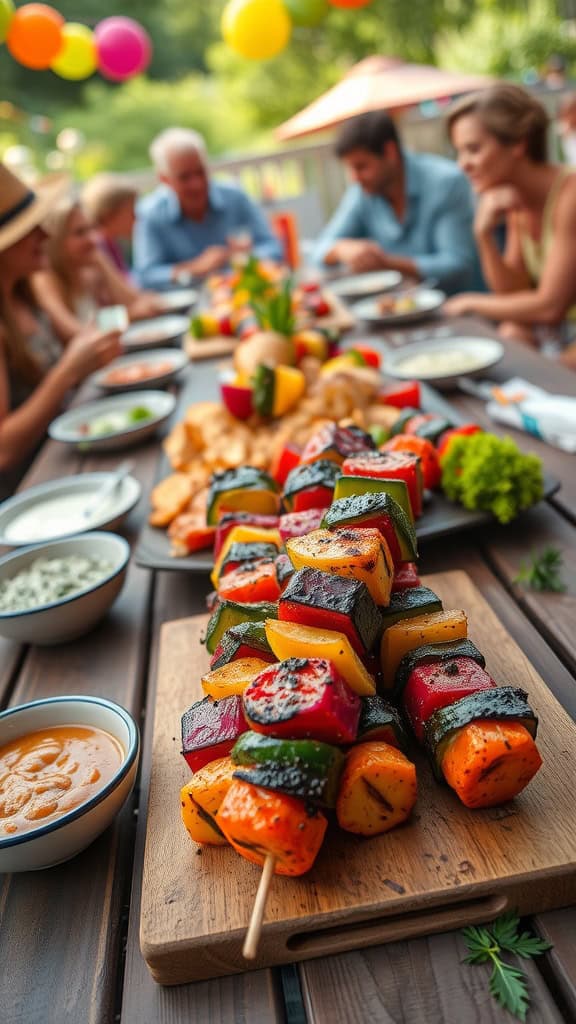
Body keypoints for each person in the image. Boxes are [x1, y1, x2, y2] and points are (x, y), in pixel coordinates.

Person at [0, 163, 121, 488]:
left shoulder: (25, 295)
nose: (46, 234)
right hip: (34, 487)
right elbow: (3, 452)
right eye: (29, 228)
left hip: (70, 458)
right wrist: (67, 371)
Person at [443, 84, 576, 351]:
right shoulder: (518, 201)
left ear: (518, 143)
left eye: (473, 149)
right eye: (460, 151)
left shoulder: (569, 196)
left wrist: (468, 302)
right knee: (512, 331)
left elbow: (550, 307)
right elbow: (513, 296)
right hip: (561, 336)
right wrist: (484, 235)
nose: (462, 164)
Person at [312, 110, 478, 295]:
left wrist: (386, 263)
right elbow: (319, 250)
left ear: (390, 152)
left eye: (361, 167)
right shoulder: (363, 192)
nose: (354, 178)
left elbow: (457, 265)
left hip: (457, 308)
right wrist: (340, 249)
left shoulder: (446, 182)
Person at [133, 127, 283, 289]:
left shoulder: (235, 197)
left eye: (200, 172)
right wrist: (193, 268)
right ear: (164, 179)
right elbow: (145, 276)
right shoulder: (150, 213)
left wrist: (244, 259)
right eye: (184, 177)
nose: (197, 184)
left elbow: (273, 247)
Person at [32, 196, 162, 343]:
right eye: (80, 233)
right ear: (55, 240)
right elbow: (77, 334)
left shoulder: (86, 270)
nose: (93, 238)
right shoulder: (45, 280)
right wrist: (128, 316)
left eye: (92, 229)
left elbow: (133, 301)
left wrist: (102, 263)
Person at [81, 173, 139, 276]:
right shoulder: (98, 248)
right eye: (131, 211)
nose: (137, 217)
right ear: (110, 215)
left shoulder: (113, 243)